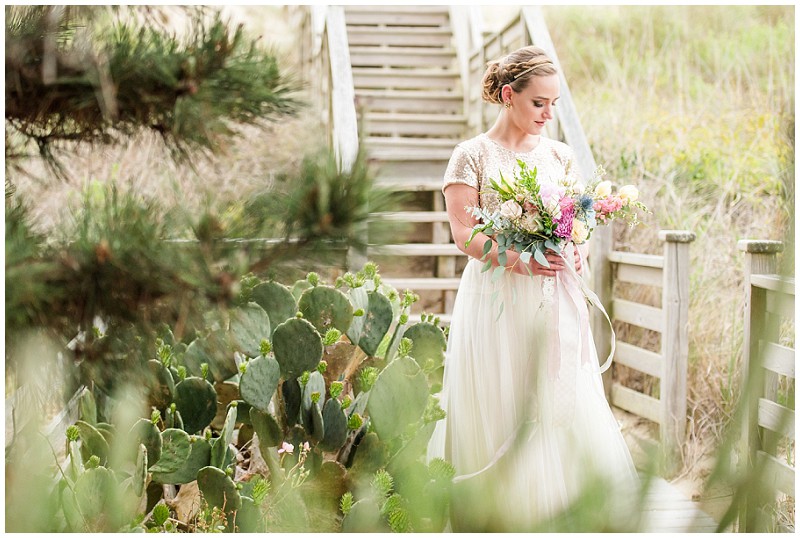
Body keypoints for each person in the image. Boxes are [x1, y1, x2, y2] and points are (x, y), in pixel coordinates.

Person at [427, 45, 639, 531]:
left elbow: (575, 223)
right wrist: (518, 260)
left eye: (554, 103)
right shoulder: (471, 156)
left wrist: (576, 246)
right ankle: (495, 510)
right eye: (538, 102)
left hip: (551, 298)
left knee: (557, 391)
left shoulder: (561, 156)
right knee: (503, 391)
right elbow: (464, 235)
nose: (548, 113)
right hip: (496, 295)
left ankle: (557, 505)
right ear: (509, 95)